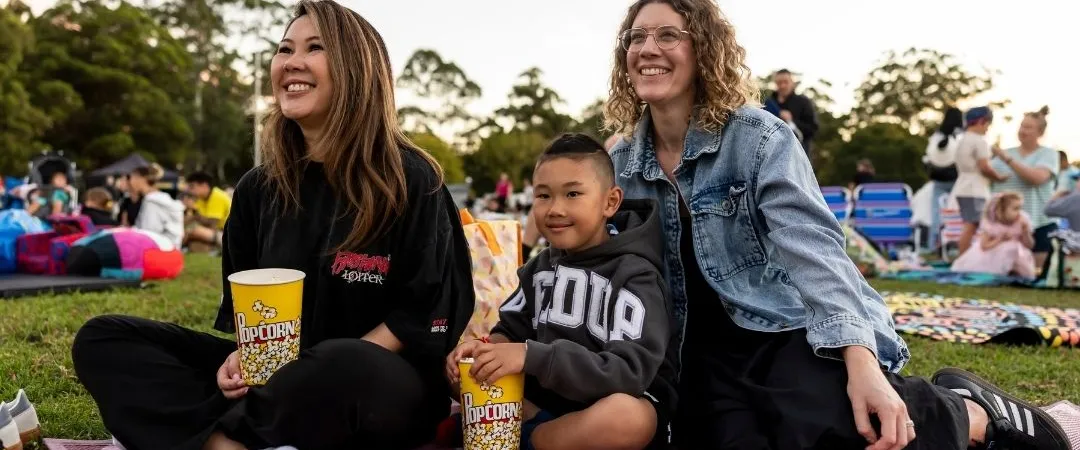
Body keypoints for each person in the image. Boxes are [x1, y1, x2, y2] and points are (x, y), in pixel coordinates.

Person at [602, 1, 1071, 449]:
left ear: (702, 48)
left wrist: (860, 358)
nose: (648, 49)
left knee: (849, 425)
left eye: (668, 35)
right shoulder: (620, 161)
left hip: (777, 324)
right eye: (636, 37)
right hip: (692, 348)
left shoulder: (759, 137)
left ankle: (972, 413)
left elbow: (814, 248)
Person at [71, 2, 475, 449]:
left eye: (315, 48)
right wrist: (239, 359)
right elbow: (252, 314)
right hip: (276, 380)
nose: (291, 62)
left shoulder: (412, 178)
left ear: (358, 69)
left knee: (346, 360)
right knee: (104, 338)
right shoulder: (257, 189)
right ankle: (235, 440)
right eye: (285, 49)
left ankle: (224, 436)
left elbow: (424, 315)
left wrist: (304, 374)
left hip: (376, 385)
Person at [447, 133, 677, 450]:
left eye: (572, 194)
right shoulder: (539, 267)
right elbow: (511, 330)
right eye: (543, 196)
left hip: (601, 411)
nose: (555, 209)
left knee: (628, 417)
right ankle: (513, 427)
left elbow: (628, 373)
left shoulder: (635, 275)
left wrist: (532, 357)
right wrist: (485, 349)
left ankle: (531, 439)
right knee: (463, 374)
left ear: (610, 202)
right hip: (543, 406)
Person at [990, 106, 1060, 270]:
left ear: (1040, 133)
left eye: (1028, 127)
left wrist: (1008, 161)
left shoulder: (1048, 154)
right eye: (1022, 126)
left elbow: (1037, 178)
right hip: (1007, 225)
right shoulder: (1004, 154)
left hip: (1040, 222)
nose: (1023, 130)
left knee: (1035, 272)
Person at [953, 106, 1009, 255]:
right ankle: (964, 259)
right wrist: (999, 177)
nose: (987, 129)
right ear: (982, 121)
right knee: (972, 225)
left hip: (962, 186)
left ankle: (967, 257)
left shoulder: (962, 139)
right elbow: (984, 167)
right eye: (987, 125)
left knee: (971, 225)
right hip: (974, 189)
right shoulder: (979, 141)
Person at [950, 192, 1037, 279]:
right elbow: (984, 246)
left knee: (1025, 273)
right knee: (1008, 250)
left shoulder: (1022, 222)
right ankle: (1001, 273)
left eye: (1020, 208)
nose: (1019, 212)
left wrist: (1026, 232)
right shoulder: (992, 224)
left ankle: (1015, 272)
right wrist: (1000, 240)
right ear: (1001, 210)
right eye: (1015, 209)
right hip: (995, 253)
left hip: (1018, 255)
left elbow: (1029, 245)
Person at [925, 107, 964, 252]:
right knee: (957, 214)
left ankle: (933, 245)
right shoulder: (961, 135)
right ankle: (955, 245)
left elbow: (930, 156)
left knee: (936, 213)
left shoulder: (937, 135)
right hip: (957, 180)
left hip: (939, 179)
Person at [130, 164, 185, 247]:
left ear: (141, 179)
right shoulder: (158, 198)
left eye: (132, 178)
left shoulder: (152, 201)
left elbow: (149, 233)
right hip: (170, 247)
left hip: (163, 250)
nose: (130, 182)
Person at [770, 68, 818, 160]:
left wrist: (792, 121)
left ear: (792, 82)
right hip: (773, 155)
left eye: (785, 82)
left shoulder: (803, 102)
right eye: (779, 82)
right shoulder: (768, 104)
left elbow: (813, 129)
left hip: (799, 156)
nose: (782, 85)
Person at [183, 171, 232, 249]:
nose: (189, 190)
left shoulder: (217, 196)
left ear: (204, 186)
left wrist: (194, 210)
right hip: (214, 234)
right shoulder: (201, 198)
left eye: (192, 187)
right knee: (193, 239)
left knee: (193, 230)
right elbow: (191, 219)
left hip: (228, 235)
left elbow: (212, 225)